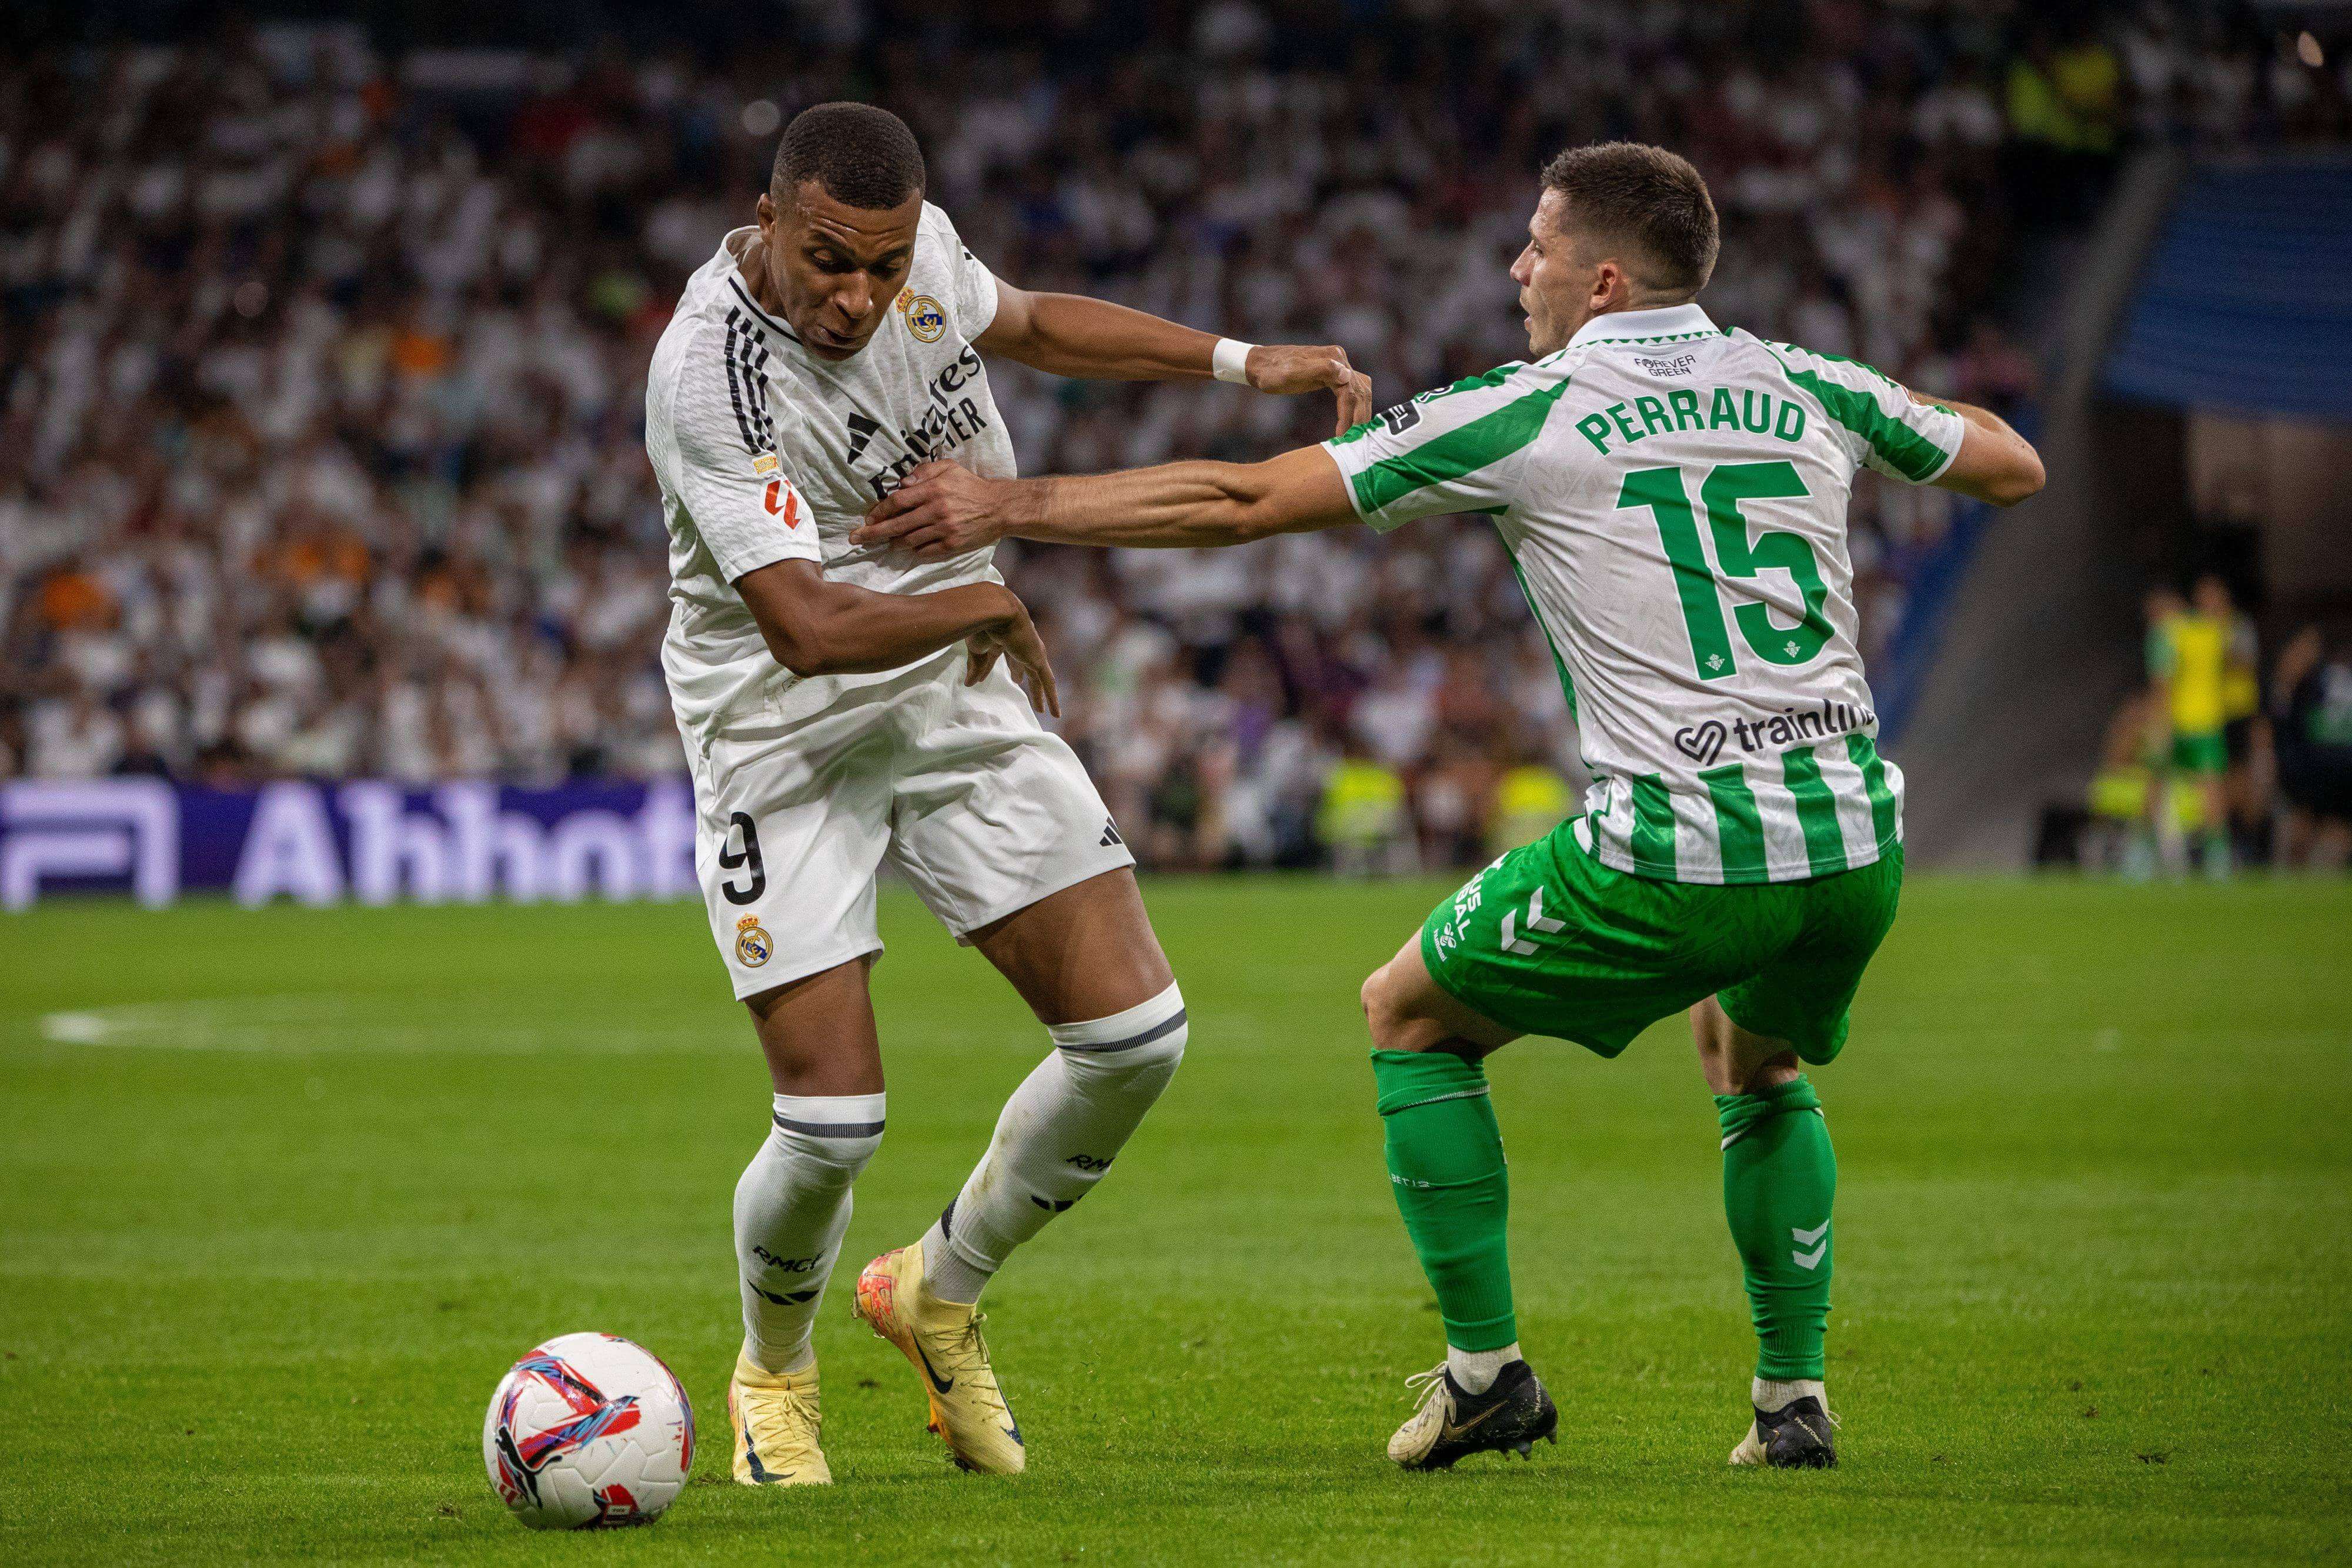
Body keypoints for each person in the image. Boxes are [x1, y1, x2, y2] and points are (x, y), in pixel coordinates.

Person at [856, 141, 2044, 1471]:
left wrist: (1007, 503)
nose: (1510, 270)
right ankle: (1789, 1402)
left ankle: (1484, 1372)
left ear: (1599, 279)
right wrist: (1864, 406)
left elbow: (1246, 498)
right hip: (1854, 841)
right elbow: (2011, 467)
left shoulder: (1526, 406)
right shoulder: (1802, 379)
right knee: (1752, 1056)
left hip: (1687, 844)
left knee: (1406, 1012)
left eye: (1532, 248)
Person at [644, 102, 1372, 1486]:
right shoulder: (705, 375)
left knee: (1136, 1035)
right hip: (780, 733)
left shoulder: (915, 261)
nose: (861, 294)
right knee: (831, 1123)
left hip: (951, 684)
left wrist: (1237, 361)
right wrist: (985, 586)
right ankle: (771, 1369)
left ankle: (935, 1287)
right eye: (829, 262)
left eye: (886, 261)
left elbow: (1028, 321)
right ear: (767, 218)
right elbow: (800, 624)